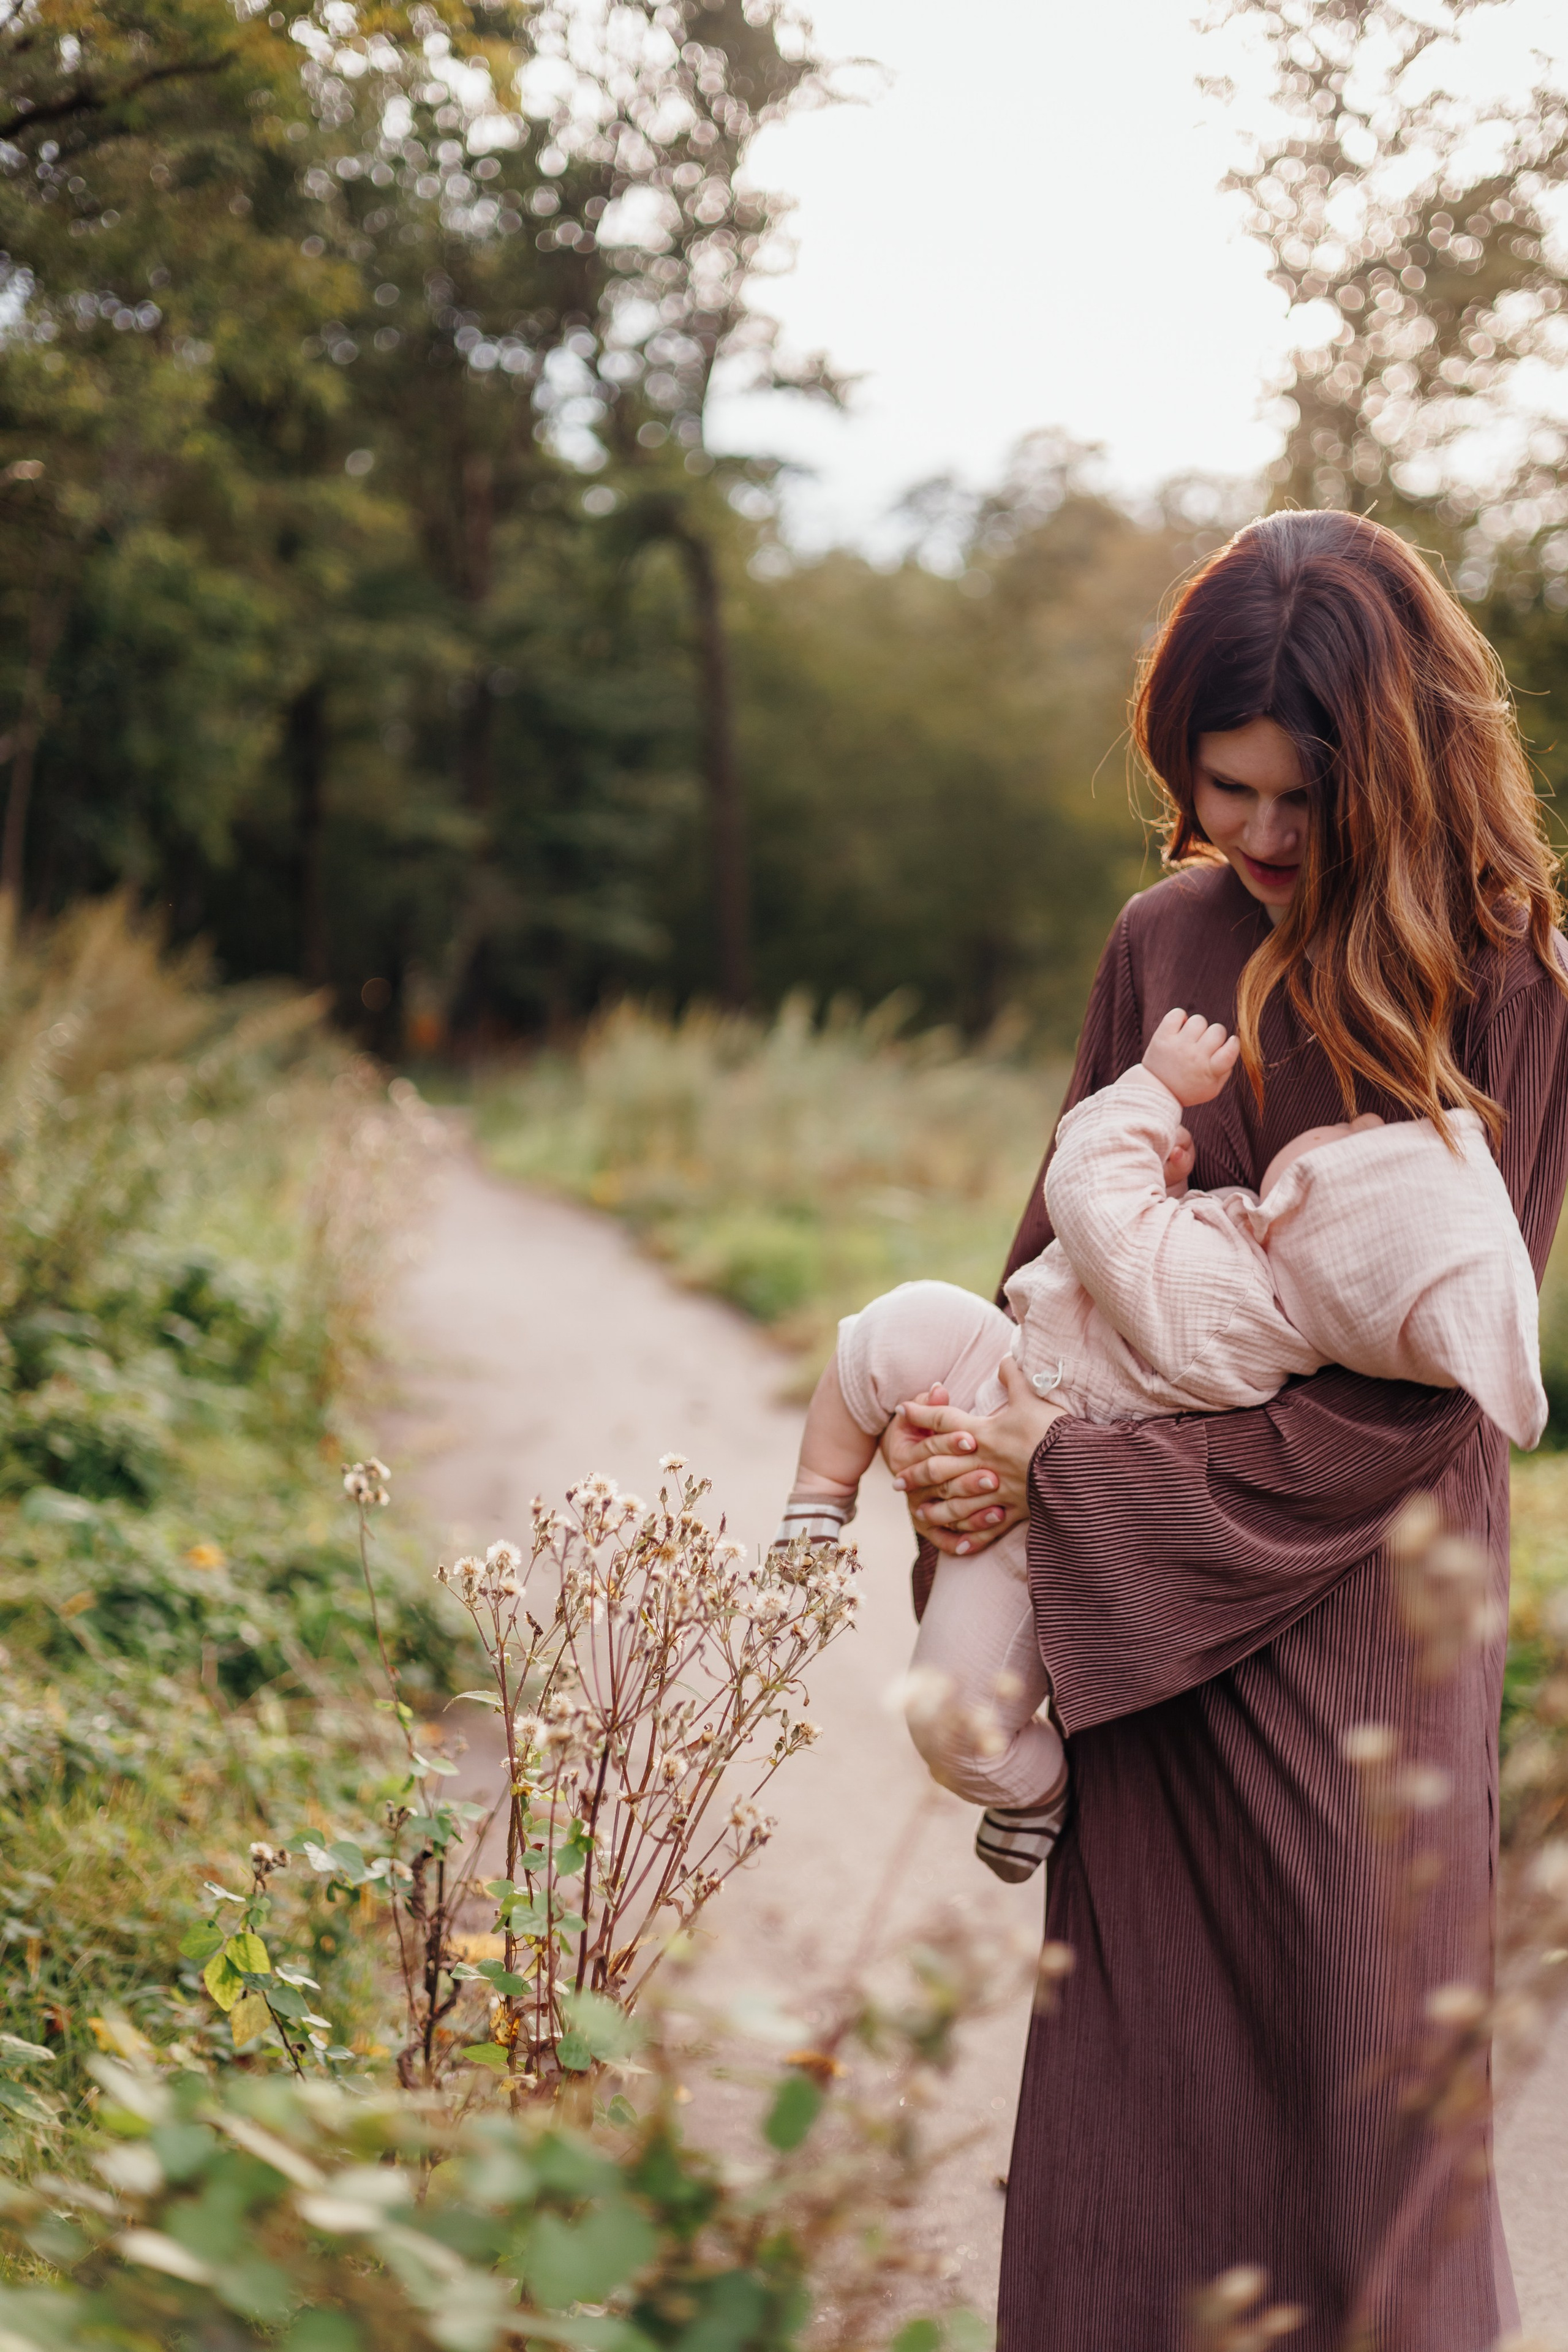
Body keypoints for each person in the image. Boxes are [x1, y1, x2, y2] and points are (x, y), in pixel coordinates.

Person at [882, 510, 1568, 2352]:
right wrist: (974, 1464)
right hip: (1143, 1638)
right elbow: (1064, 1261)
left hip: (1365, 1630)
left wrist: (1081, 1477)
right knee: (1138, 2116)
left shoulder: (1501, 975)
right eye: (1224, 787)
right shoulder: (1165, 935)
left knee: (1365, 2135)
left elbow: (1426, 1401)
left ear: (1403, 770)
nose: (1257, 839)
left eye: (1301, 800)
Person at [774, 1003, 1545, 1885]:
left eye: (1350, 1139)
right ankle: (819, 1493)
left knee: (951, 1722)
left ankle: (1027, 1791)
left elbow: (1091, 1200)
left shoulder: (1243, 1309)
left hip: (1042, 1497)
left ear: (1320, 1228)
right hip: (1019, 1372)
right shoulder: (1253, 1271)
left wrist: (1151, 1094)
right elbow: (1147, 1277)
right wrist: (1173, 1192)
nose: (1353, 1120)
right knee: (899, 1325)